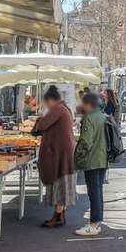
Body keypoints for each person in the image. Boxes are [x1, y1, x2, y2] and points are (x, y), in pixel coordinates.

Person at [32, 85, 76, 228]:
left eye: (46, 102)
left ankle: (58, 216)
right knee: (62, 183)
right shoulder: (64, 108)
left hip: (60, 154)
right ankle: (61, 214)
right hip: (65, 152)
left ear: (51, 100)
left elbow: (42, 126)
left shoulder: (57, 109)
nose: (46, 105)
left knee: (59, 183)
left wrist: (39, 119)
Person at [74, 91, 109, 235]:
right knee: (98, 191)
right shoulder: (102, 116)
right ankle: (97, 221)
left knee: (93, 192)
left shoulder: (89, 118)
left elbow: (86, 142)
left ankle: (93, 224)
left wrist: (78, 158)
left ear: (88, 104)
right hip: (103, 158)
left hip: (92, 160)